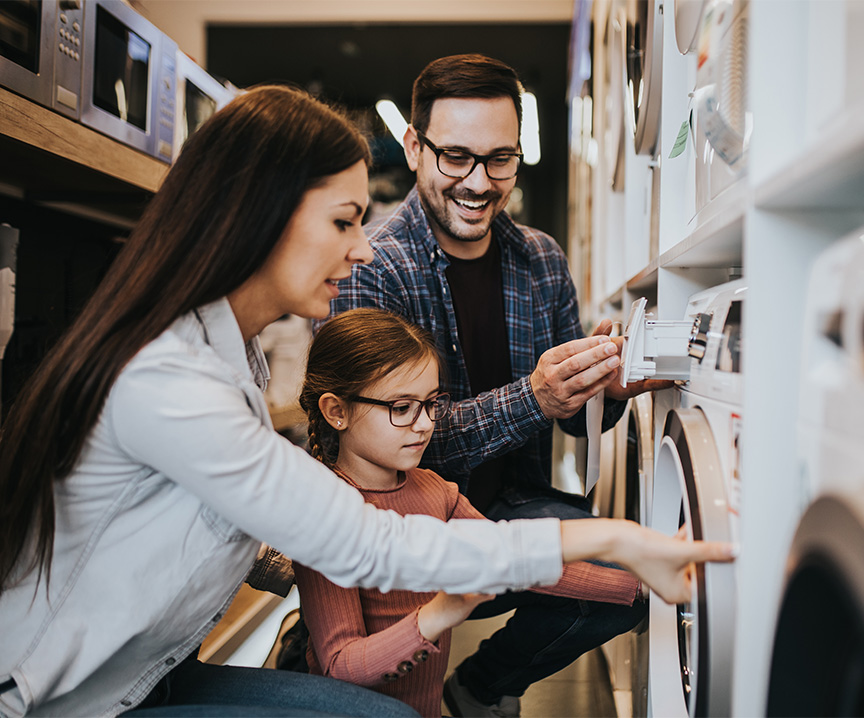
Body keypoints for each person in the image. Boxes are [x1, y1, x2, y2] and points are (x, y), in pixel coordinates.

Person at [0, 86, 733, 718]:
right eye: (345, 221)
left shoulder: (230, 355)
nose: (362, 249)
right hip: (71, 701)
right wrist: (620, 539)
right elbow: (370, 541)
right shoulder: (172, 382)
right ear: (264, 213)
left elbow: (200, 514)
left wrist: (290, 563)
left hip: (143, 674)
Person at [321, 54, 672, 716]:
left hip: (506, 508)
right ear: (414, 148)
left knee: (630, 581)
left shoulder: (540, 259)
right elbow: (383, 450)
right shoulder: (372, 269)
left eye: (500, 160)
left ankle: (480, 690)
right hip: (402, 531)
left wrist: (604, 388)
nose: (479, 183)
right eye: (456, 158)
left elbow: (570, 422)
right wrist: (534, 396)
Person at [295, 307, 709, 717]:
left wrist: (635, 587)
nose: (424, 425)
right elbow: (341, 667)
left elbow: (525, 561)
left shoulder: (435, 491)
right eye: (401, 408)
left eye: (431, 404)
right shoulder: (324, 513)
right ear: (337, 412)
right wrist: (438, 615)